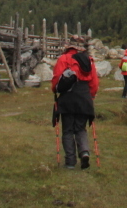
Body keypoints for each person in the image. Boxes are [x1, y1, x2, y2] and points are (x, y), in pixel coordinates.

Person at [51, 37, 100, 169]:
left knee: (67, 130)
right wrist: (91, 96)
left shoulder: (63, 59)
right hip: (84, 96)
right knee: (80, 129)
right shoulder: (88, 60)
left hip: (67, 98)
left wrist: (55, 90)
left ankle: (70, 162)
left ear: (69, 46)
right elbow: (94, 83)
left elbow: (56, 79)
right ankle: (84, 152)